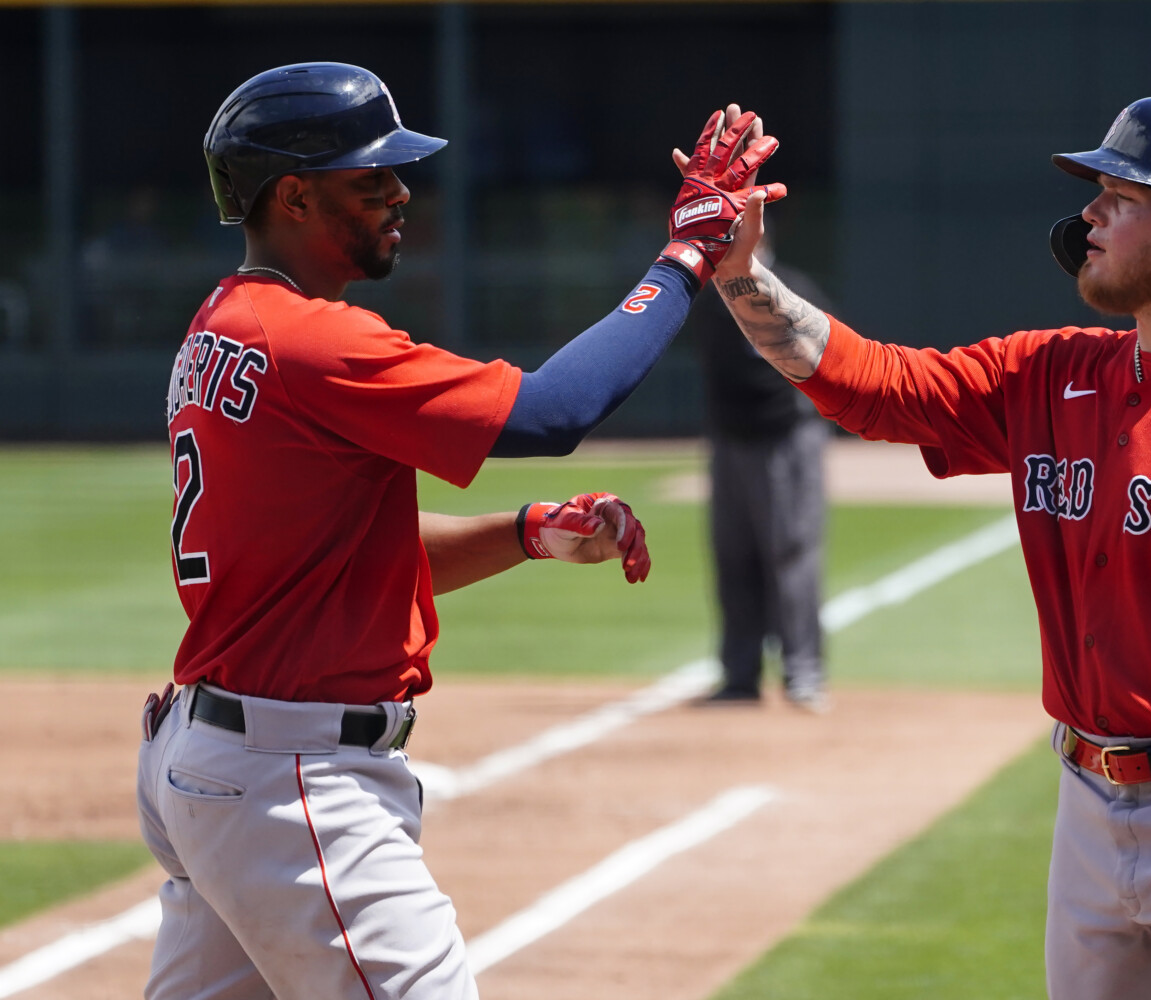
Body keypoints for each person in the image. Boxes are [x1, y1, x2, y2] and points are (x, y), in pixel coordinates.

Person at [709, 96, 1151, 998]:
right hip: (1087, 802)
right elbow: (874, 386)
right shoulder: (1051, 373)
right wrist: (739, 270)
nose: (1090, 212)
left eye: (1121, 196)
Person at [137, 62, 783, 999]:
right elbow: (553, 413)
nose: (401, 191)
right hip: (295, 781)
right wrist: (683, 260)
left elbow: (340, 561)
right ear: (295, 197)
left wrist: (522, 533)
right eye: (372, 178)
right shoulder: (316, 341)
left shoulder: (223, 326)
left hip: (219, 759)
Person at [690, 221, 833, 712]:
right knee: (733, 557)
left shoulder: (792, 288)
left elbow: (821, 363)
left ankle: (804, 674)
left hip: (786, 439)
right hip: (731, 442)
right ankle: (739, 674)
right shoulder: (710, 298)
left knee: (791, 555)